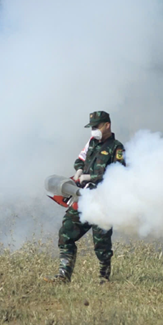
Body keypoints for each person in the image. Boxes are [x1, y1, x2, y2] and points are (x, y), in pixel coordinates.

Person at [46, 110, 125, 284]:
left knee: (102, 244)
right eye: (91, 127)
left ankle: (104, 279)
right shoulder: (92, 142)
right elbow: (80, 159)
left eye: (96, 126)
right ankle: (63, 276)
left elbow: (119, 175)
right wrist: (79, 170)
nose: (93, 130)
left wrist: (92, 177)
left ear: (107, 125)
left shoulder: (116, 148)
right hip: (82, 197)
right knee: (66, 233)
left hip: (102, 202)